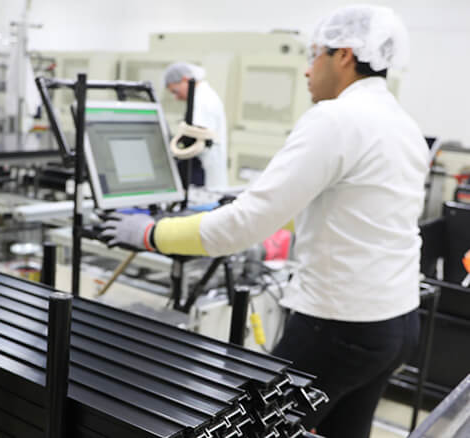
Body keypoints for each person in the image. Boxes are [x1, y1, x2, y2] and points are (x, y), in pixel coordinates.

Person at [101, 5, 427, 437]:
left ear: (345, 55)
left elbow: (240, 228)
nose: (307, 71)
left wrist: (149, 233)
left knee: (255, 431)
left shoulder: (335, 118)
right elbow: (356, 212)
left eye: (314, 55)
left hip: (338, 327)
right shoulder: (402, 124)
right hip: (396, 323)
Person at [164, 62, 228, 189]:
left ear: (185, 80)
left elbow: (196, 141)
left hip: (205, 177)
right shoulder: (203, 96)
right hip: (208, 172)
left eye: (175, 91)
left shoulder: (202, 100)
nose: (176, 97)